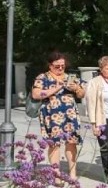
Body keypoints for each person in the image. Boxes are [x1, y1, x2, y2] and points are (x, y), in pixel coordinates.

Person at [32, 51, 87, 179]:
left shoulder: (70, 77)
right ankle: (56, 174)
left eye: (63, 65)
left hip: (70, 114)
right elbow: (36, 94)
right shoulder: (43, 77)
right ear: (50, 66)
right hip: (51, 115)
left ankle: (73, 173)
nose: (61, 68)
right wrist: (56, 88)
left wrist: (77, 89)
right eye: (57, 66)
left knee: (71, 142)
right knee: (54, 144)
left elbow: (82, 94)